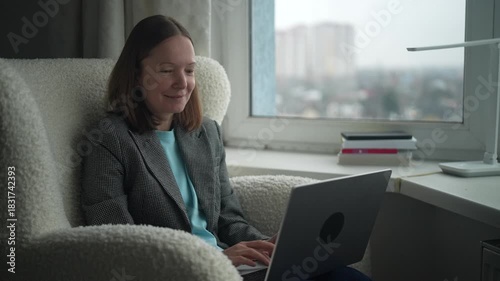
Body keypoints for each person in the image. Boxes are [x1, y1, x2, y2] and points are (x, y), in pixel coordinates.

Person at [80, 15, 371, 281]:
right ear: (136, 75)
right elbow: (118, 242)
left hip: (232, 268)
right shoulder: (109, 139)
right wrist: (214, 259)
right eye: (167, 70)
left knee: (344, 277)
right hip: (184, 273)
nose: (183, 83)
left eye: (190, 70)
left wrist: (270, 247)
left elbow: (228, 219)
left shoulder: (206, 133)